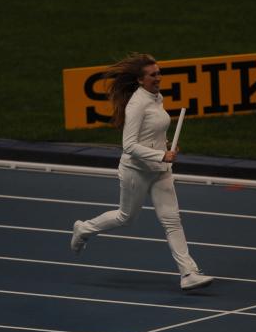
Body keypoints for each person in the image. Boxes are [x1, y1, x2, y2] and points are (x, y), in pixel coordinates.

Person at [70, 53, 214, 291]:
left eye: (159, 73)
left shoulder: (156, 97)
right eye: (153, 74)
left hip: (160, 170)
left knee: (172, 220)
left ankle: (188, 273)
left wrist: (166, 146)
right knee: (125, 217)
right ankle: (84, 228)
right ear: (140, 79)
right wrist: (161, 155)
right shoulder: (137, 104)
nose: (158, 77)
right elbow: (129, 145)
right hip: (136, 171)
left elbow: (152, 131)